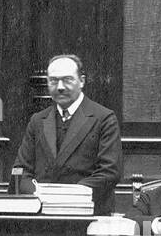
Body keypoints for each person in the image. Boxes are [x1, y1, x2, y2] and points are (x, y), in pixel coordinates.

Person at [14, 54, 122, 213]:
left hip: (86, 216)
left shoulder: (104, 118)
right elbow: (21, 171)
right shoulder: (37, 121)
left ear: (82, 81)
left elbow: (109, 172)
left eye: (67, 79)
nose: (60, 87)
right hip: (41, 217)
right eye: (53, 80)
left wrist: (66, 198)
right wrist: (39, 196)